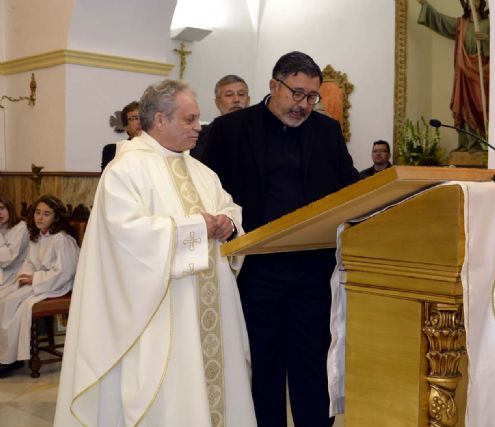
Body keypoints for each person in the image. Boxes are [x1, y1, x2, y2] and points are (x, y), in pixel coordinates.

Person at [54, 80, 256, 427]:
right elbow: (126, 237)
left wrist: (228, 224)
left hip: (210, 311)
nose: (199, 127)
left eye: (198, 119)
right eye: (190, 120)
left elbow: (229, 208)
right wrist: (196, 228)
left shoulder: (202, 171)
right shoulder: (125, 170)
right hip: (161, 315)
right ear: (160, 120)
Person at [202, 51, 359, 427]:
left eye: (312, 97)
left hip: (311, 268)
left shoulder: (326, 132)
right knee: (264, 365)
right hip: (256, 268)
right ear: (274, 86)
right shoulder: (230, 131)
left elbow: (350, 187)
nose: (304, 105)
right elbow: (206, 190)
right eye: (298, 94)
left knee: (311, 362)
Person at [0, 195, 79, 378]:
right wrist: (24, 276)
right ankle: (7, 355)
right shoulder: (38, 236)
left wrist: (34, 278)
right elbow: (29, 262)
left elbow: (64, 272)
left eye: (46, 214)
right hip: (39, 281)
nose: (40, 218)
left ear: (55, 217)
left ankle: (10, 360)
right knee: (5, 299)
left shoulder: (61, 239)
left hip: (57, 285)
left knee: (12, 304)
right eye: (37, 212)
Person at [417, 0, 489, 151]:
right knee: (464, 105)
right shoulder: (460, 24)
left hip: (482, 73)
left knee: (480, 106)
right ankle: (466, 144)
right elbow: (441, 21)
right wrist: (426, 6)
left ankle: (481, 144)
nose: (472, 3)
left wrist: (487, 40)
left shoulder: (489, 23)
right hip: (464, 73)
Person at [191, 74, 251, 160]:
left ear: (248, 101)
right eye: (229, 95)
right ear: (217, 102)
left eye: (241, 94)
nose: (236, 99)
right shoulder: (202, 135)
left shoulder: (261, 133)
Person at [0, 195, 30, 298]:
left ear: (9, 208)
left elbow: (6, 260)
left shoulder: (21, 228)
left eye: (1, 208)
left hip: (13, 275)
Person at [101, 101, 143, 170]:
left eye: (142, 117)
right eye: (134, 118)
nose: (139, 122)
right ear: (126, 126)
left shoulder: (160, 149)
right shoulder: (114, 151)